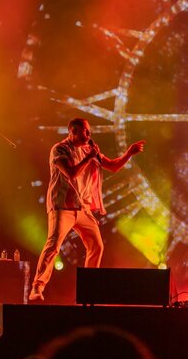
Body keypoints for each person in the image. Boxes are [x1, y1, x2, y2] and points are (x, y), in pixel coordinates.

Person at [29, 119, 145, 302]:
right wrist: (89, 157)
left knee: (96, 245)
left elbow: (113, 166)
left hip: (82, 207)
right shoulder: (59, 149)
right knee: (53, 245)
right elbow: (71, 173)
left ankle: (89, 288)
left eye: (89, 132)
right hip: (62, 206)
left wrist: (129, 153)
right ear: (73, 132)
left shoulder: (88, 150)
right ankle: (37, 287)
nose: (89, 135)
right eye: (85, 131)